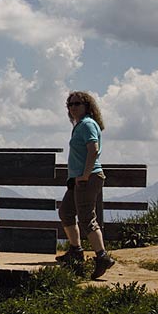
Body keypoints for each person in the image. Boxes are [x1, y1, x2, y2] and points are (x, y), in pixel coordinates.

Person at [59, 90, 109, 269]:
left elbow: (93, 149)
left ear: (87, 106)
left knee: (87, 218)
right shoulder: (81, 125)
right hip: (78, 179)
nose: (73, 107)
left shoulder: (87, 124)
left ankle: (102, 257)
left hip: (87, 178)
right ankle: (76, 250)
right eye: (70, 104)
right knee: (66, 211)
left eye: (77, 104)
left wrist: (85, 175)